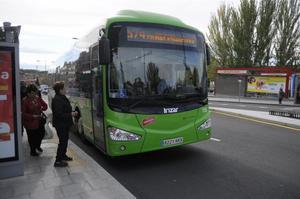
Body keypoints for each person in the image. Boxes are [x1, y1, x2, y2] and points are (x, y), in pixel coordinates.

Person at [52, 82, 77, 167]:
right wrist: (71, 114)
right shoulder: (57, 99)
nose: (65, 90)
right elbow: (59, 114)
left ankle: (63, 156)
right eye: (64, 88)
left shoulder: (62, 97)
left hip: (65, 124)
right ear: (60, 90)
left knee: (65, 140)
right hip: (60, 124)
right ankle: (58, 160)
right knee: (62, 142)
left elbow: (66, 109)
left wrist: (71, 112)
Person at [21, 84, 48, 156]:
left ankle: (38, 146)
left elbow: (45, 105)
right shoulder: (24, 101)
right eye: (32, 93)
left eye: (35, 93)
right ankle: (32, 151)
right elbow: (23, 114)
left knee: (41, 134)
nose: (34, 95)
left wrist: (42, 109)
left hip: (39, 120)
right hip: (30, 123)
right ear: (28, 93)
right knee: (32, 137)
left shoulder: (37, 98)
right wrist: (33, 116)